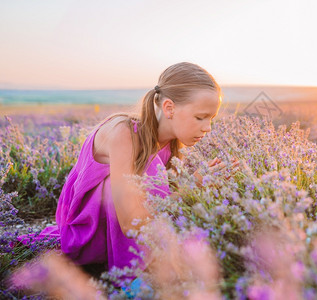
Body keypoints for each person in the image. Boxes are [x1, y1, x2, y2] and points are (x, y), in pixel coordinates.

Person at [20, 62, 239, 275]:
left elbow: (168, 202)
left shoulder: (171, 143)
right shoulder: (125, 134)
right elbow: (131, 223)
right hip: (88, 232)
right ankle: (135, 275)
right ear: (169, 108)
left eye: (211, 119)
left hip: (123, 230)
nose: (208, 127)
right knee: (149, 175)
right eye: (200, 117)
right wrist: (192, 186)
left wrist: (201, 187)